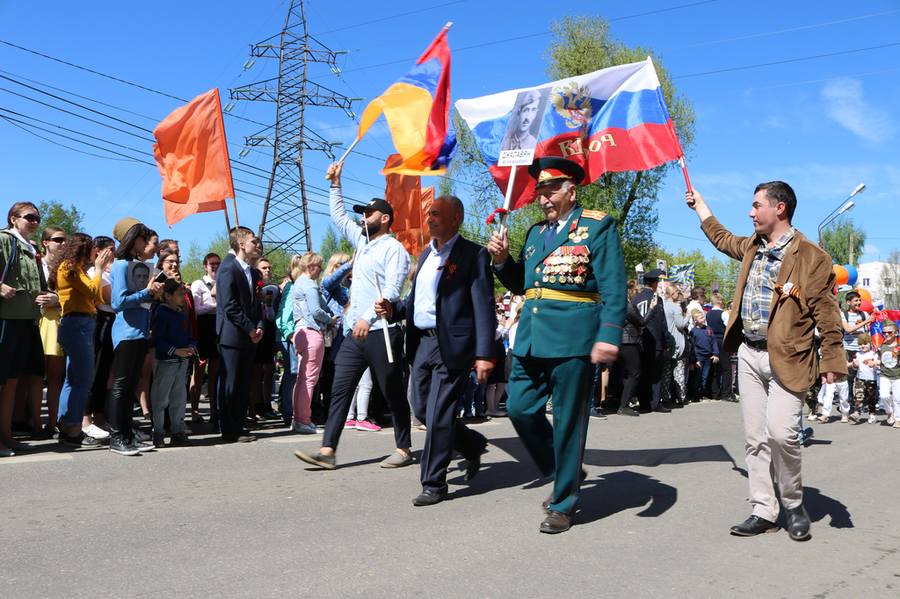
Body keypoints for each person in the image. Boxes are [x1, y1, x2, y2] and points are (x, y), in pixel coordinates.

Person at [686, 181, 846, 542]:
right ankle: (763, 509)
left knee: (782, 435)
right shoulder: (751, 247)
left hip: (789, 358)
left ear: (780, 209)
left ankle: (792, 503)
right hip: (748, 353)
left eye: (757, 205)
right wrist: (700, 207)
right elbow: (721, 237)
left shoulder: (811, 256)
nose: (750, 212)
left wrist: (833, 358)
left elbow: (826, 310)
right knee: (755, 438)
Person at [487, 156, 626, 534]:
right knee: (519, 409)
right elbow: (523, 285)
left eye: (551, 191)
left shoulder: (596, 226)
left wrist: (608, 336)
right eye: (541, 192)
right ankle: (564, 468)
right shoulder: (533, 234)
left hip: (573, 338)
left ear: (571, 190)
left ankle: (563, 503)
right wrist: (501, 261)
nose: (544, 199)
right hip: (531, 337)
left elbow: (613, 286)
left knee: (567, 423)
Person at [375, 194, 496, 506]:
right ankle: (471, 444)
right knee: (422, 408)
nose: (429, 219)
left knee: (440, 411)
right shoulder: (426, 255)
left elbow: (483, 306)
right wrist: (394, 308)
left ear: (456, 218)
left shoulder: (474, 254)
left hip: (453, 344)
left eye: (437, 215)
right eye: (429, 214)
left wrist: (484, 353)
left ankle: (433, 483)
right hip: (421, 342)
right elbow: (418, 301)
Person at [294, 161, 412, 470]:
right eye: (362, 212)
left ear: (384, 219)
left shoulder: (393, 249)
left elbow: (392, 290)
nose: (363, 217)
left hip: (380, 332)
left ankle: (403, 446)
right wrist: (336, 184)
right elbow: (338, 217)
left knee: (392, 391)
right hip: (353, 334)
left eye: (369, 213)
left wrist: (367, 318)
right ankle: (328, 450)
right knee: (340, 388)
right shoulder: (362, 242)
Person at [53, 233, 114, 447]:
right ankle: (73, 428)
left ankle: (67, 425)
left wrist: (96, 272)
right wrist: (98, 269)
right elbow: (93, 291)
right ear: (83, 248)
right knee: (83, 380)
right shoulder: (68, 267)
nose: (95, 253)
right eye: (92, 249)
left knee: (74, 379)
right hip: (77, 324)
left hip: (81, 324)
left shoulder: (75, 269)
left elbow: (96, 296)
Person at [108, 217, 162, 456]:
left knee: (130, 384)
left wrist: (152, 293)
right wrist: (145, 292)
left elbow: (139, 299)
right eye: (142, 237)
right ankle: (117, 436)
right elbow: (118, 302)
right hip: (126, 333)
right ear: (131, 239)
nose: (145, 242)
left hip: (139, 331)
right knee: (121, 384)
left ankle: (127, 433)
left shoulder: (136, 265)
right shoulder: (121, 266)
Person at [0, 202, 50, 456]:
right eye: (29, 217)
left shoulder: (31, 249)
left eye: (37, 219)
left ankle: (6, 436)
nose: (34, 222)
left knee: (10, 381)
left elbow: (43, 287)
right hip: (6, 319)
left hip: (26, 321)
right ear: (13, 219)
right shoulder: (4, 240)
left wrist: (51, 298)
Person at [215, 226, 263, 443]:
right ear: (242, 244)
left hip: (250, 335)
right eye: (253, 241)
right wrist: (249, 327)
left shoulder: (253, 272)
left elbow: (257, 304)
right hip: (233, 335)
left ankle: (240, 423)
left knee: (244, 383)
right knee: (231, 383)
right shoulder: (228, 269)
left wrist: (259, 324)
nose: (257, 244)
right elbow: (230, 305)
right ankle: (228, 428)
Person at [289, 252, 332, 434]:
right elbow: (316, 310)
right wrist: (330, 319)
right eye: (319, 267)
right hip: (311, 333)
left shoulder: (297, 283)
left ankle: (297, 418)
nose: (320, 271)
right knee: (309, 380)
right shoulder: (310, 285)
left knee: (301, 379)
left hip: (299, 332)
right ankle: (304, 420)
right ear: (311, 267)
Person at [150, 279, 196, 447]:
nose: (183, 296)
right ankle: (158, 432)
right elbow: (157, 339)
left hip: (182, 362)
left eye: (184, 292)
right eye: (180, 293)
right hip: (167, 361)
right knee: (160, 399)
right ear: (168, 296)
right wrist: (175, 350)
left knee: (179, 398)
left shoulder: (181, 313)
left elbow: (189, 335)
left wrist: (191, 345)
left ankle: (177, 431)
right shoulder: (161, 313)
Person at [37, 226, 67, 438]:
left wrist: (58, 299)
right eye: (58, 240)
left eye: (65, 240)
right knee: (34, 376)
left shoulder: (67, 267)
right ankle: (32, 422)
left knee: (56, 376)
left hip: (57, 322)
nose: (63, 244)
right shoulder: (36, 263)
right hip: (34, 321)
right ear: (46, 242)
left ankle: (53, 422)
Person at [84, 235, 115, 440]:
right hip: (100, 320)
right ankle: (86, 418)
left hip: (113, 320)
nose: (113, 254)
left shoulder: (112, 271)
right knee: (95, 371)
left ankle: (100, 415)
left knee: (105, 371)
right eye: (110, 250)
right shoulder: (93, 272)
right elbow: (107, 297)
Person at [190, 253, 220, 424]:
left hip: (217, 329)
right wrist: (215, 305)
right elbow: (196, 309)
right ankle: (194, 411)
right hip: (202, 328)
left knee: (215, 372)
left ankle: (214, 410)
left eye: (217, 263)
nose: (214, 266)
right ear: (205, 266)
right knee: (199, 372)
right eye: (211, 264)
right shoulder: (198, 284)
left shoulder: (222, 282)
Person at [633, 269, 669, 412]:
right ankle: (654, 402)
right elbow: (661, 323)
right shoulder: (656, 299)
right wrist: (665, 341)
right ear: (654, 284)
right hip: (655, 341)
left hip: (639, 340)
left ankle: (644, 403)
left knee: (643, 372)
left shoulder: (636, 298)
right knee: (655, 373)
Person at [662, 286, 689, 406]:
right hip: (677, 341)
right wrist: (688, 315)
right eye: (677, 293)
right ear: (672, 294)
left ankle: (665, 396)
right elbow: (680, 324)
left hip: (665, 341)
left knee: (666, 371)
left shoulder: (662, 305)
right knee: (679, 371)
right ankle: (681, 396)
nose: (679, 295)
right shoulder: (675, 307)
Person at [707, 292, 735, 401]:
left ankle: (715, 393)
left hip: (711, 341)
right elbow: (729, 326)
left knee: (715, 368)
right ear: (720, 301)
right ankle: (726, 393)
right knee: (726, 368)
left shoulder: (708, 314)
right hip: (720, 341)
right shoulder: (723, 314)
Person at [689, 309, 719, 400]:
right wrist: (695, 359)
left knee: (705, 377)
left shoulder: (708, 329)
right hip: (699, 357)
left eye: (703, 316)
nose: (703, 318)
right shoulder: (693, 332)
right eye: (701, 317)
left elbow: (713, 342)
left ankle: (702, 393)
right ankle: (695, 395)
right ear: (695, 320)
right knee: (697, 377)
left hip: (708, 357)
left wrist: (716, 353)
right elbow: (693, 346)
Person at [850, 333, 878, 423]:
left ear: (870, 343)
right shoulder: (857, 354)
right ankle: (856, 412)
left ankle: (872, 414)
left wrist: (874, 365)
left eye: (865, 344)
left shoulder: (874, 354)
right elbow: (854, 367)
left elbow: (877, 365)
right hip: (860, 378)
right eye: (860, 344)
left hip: (871, 379)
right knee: (858, 396)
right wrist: (855, 365)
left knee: (871, 398)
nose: (863, 346)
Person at [877, 320, 900, 428]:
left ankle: (898, 419)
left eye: (889, 332)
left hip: (897, 376)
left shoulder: (899, 347)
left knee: (897, 398)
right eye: (884, 332)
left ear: (896, 333)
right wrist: (873, 362)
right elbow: (878, 359)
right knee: (884, 395)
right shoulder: (882, 346)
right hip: (884, 375)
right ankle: (890, 412)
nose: (886, 334)